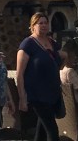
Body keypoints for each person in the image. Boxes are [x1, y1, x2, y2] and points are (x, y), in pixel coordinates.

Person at [16, 12, 62, 141]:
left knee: (42, 130)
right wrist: (22, 98)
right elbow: (19, 74)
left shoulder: (52, 42)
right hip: (37, 95)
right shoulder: (28, 44)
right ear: (33, 26)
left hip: (53, 93)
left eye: (46, 23)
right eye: (40, 23)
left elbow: (61, 56)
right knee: (52, 130)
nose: (44, 25)